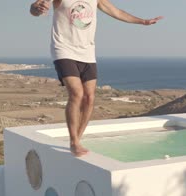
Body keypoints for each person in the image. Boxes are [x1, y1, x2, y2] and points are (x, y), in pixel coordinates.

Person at [29, 0, 163, 156]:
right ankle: (74, 142)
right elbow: (35, 8)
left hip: (87, 52)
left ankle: (77, 139)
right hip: (63, 49)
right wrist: (37, 8)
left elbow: (117, 12)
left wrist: (143, 21)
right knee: (77, 93)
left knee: (89, 98)